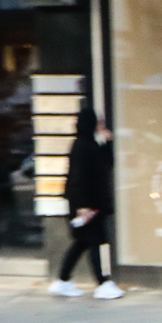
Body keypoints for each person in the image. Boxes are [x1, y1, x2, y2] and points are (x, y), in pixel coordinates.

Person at [52, 105, 123, 300]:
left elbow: (107, 164)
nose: (100, 125)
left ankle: (63, 280)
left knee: (83, 242)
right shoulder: (82, 146)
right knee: (93, 242)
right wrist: (82, 207)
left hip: (92, 203)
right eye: (98, 122)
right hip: (86, 205)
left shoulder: (91, 144)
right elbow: (77, 178)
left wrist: (107, 142)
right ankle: (102, 283)